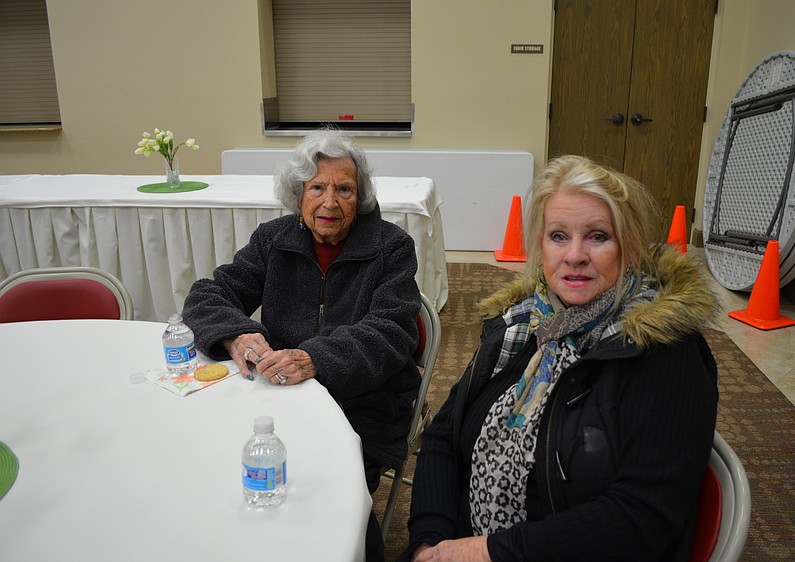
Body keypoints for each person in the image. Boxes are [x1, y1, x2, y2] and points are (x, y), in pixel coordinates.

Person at [400, 155, 719, 561]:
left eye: (598, 236)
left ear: (631, 247)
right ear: (540, 246)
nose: (575, 255)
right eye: (558, 236)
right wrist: (430, 540)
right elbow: (445, 436)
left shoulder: (665, 354)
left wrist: (485, 552)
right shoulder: (525, 326)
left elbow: (640, 519)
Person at [182, 128, 421, 562]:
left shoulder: (392, 248)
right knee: (217, 468)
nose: (330, 202)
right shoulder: (274, 240)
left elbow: (392, 333)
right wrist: (235, 334)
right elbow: (206, 295)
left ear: (360, 197)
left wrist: (317, 359)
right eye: (317, 188)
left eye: (344, 189)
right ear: (299, 194)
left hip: (363, 402)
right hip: (277, 394)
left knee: (329, 497)